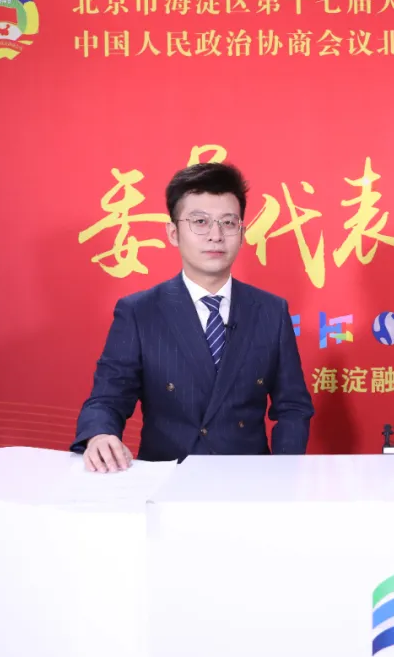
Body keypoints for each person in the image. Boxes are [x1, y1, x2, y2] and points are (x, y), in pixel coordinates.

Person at [71, 162, 314, 471]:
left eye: (228, 223)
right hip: (166, 476)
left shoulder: (271, 311)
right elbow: (108, 398)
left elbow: (292, 407)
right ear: (173, 233)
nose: (216, 235)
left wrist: (283, 472)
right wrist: (100, 434)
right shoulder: (140, 311)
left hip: (248, 480)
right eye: (200, 222)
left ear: (242, 232)